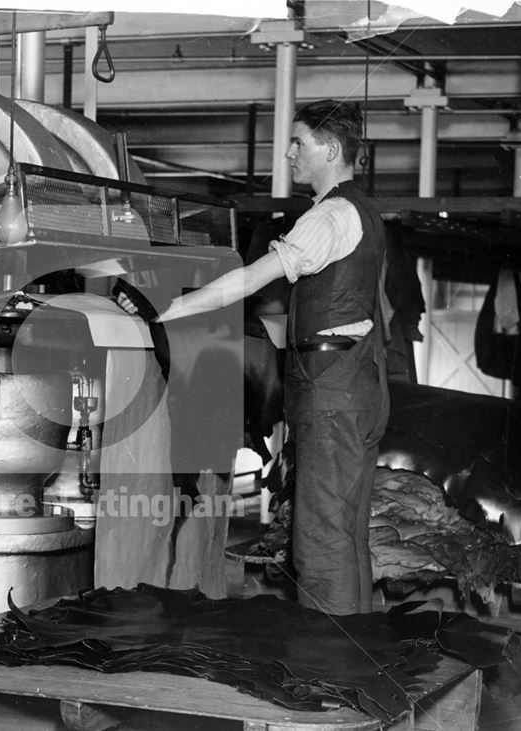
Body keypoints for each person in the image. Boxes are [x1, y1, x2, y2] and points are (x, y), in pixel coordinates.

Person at [118, 99, 390, 615]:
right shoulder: (366, 213)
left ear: (330, 149)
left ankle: (325, 669)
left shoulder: (329, 214)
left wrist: (171, 311)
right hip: (358, 383)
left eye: (298, 142)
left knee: (319, 538)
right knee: (347, 534)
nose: (287, 154)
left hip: (331, 393)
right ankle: (352, 661)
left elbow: (248, 280)